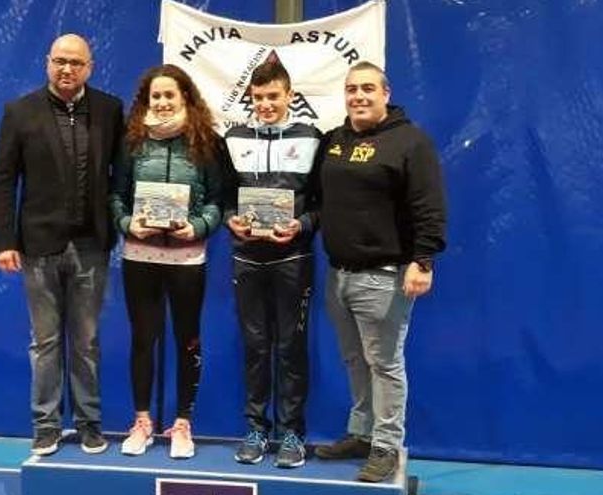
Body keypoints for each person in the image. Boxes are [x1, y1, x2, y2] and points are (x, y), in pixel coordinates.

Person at [0, 34, 124, 456]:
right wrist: (3, 240)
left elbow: (121, 176)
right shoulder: (20, 112)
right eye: (60, 61)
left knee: (86, 343)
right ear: (47, 63)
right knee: (45, 342)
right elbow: (3, 181)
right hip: (38, 246)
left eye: (76, 63)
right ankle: (45, 425)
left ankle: (89, 424)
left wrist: (119, 226)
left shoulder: (109, 110)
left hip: (91, 247)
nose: (67, 69)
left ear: (90, 67)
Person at [314, 61, 446, 482]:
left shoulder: (411, 142)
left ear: (386, 93)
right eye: (352, 89)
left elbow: (430, 208)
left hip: (384, 276)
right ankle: (362, 434)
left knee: (385, 363)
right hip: (338, 274)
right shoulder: (334, 140)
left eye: (368, 88)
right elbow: (318, 200)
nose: (358, 96)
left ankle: (387, 445)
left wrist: (422, 261)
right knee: (355, 359)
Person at [109, 64, 223, 460]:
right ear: (146, 100)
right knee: (144, 339)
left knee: (187, 339)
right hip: (139, 256)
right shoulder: (131, 141)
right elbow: (115, 195)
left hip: (188, 258)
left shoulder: (207, 142)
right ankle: (142, 421)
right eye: (154, 96)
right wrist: (127, 223)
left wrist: (197, 227)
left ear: (185, 98)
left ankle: (182, 423)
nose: (161, 102)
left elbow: (217, 201)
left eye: (168, 95)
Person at [222, 61, 321, 468]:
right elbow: (226, 197)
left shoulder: (312, 137)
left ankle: (293, 433)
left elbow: (322, 203)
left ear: (289, 96)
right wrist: (231, 218)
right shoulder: (233, 138)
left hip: (292, 257)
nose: (265, 104)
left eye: (273, 97)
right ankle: (257, 429)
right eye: (258, 97)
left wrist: (302, 224)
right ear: (251, 98)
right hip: (247, 257)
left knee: (290, 347)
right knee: (256, 347)